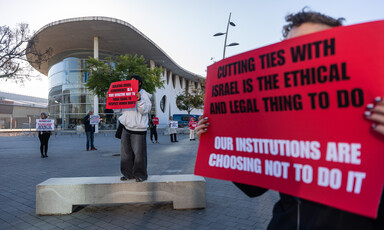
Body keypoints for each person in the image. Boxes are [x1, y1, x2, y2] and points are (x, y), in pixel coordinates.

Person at [196, 9, 383, 230]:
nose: (304, 54)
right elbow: (254, 189)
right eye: (293, 48)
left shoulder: (373, 108)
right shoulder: (279, 121)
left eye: (317, 43)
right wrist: (215, 141)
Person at [118, 75, 151, 182]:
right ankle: (127, 174)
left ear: (139, 83)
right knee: (125, 153)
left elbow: (145, 110)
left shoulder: (144, 95)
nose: (131, 82)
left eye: (134, 81)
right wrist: (112, 99)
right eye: (130, 81)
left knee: (139, 154)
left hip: (138, 129)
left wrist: (139, 99)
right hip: (125, 127)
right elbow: (118, 110)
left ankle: (140, 175)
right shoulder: (125, 93)